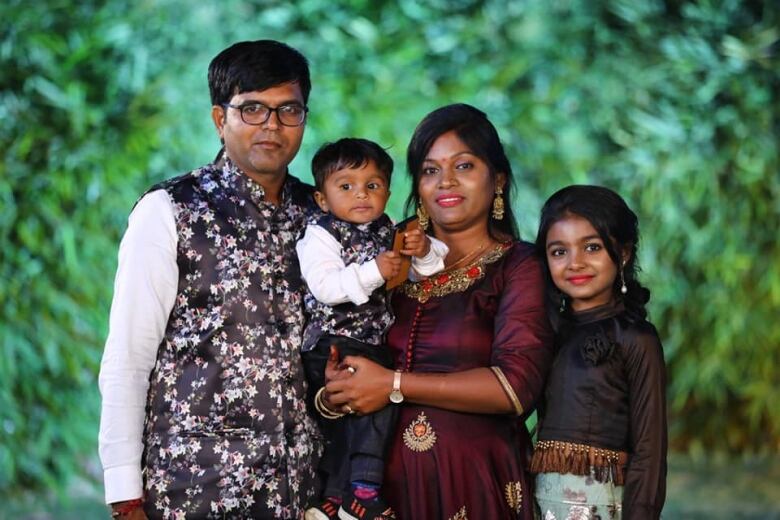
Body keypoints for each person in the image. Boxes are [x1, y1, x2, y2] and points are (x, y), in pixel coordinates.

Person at [98, 40, 323, 519]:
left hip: (300, 490)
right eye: (253, 109)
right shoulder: (169, 212)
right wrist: (124, 495)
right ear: (221, 119)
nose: (272, 126)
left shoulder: (321, 217)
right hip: (193, 490)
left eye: (288, 110)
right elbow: (128, 358)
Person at [322, 104, 554, 519]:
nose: (445, 181)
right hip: (375, 495)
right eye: (429, 170)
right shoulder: (385, 260)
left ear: (498, 179)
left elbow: (516, 388)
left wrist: (393, 384)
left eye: (463, 165)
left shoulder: (517, 265)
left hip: (474, 481)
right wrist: (336, 392)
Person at [298, 138, 448, 520]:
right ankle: (363, 490)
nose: (360, 194)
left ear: (388, 192)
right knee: (375, 407)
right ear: (321, 198)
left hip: (368, 344)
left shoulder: (388, 233)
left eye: (373, 185)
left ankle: (333, 499)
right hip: (331, 342)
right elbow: (325, 287)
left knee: (359, 414)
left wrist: (423, 249)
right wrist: (373, 272)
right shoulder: (321, 234)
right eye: (345, 186)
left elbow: (428, 273)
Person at [530, 185, 667, 519]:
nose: (575, 263)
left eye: (591, 247)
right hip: (539, 501)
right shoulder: (544, 331)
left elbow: (650, 450)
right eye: (559, 252)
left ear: (622, 253)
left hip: (602, 505)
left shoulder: (636, 338)